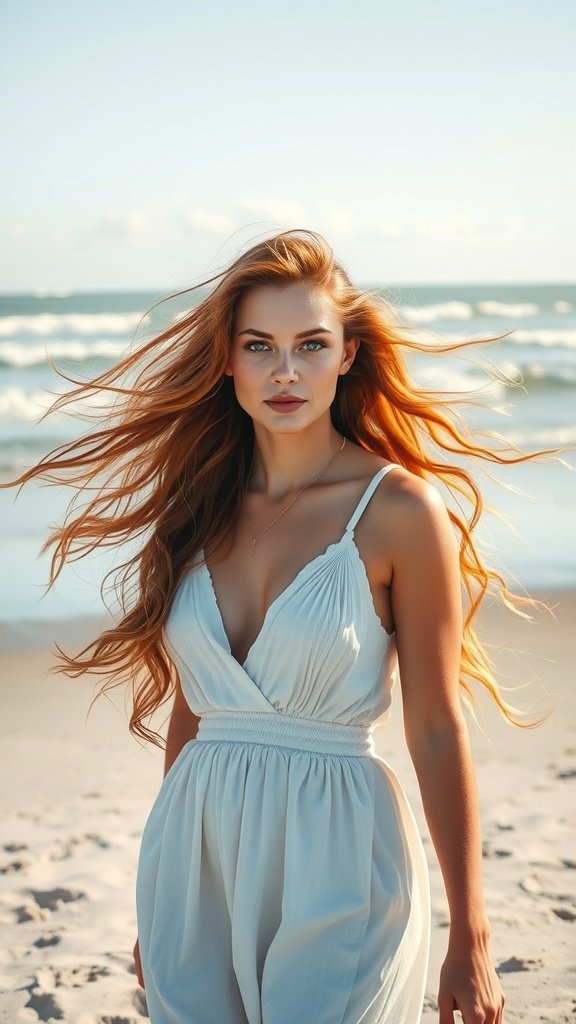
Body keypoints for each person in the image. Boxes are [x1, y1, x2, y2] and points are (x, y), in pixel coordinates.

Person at [5, 229, 549, 1023]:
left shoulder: (399, 512)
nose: (285, 371)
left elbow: (435, 726)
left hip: (338, 845)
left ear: (348, 355)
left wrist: (469, 931)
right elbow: (196, 709)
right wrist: (163, 895)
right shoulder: (199, 506)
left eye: (310, 345)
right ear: (226, 358)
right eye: (260, 346)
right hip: (198, 854)